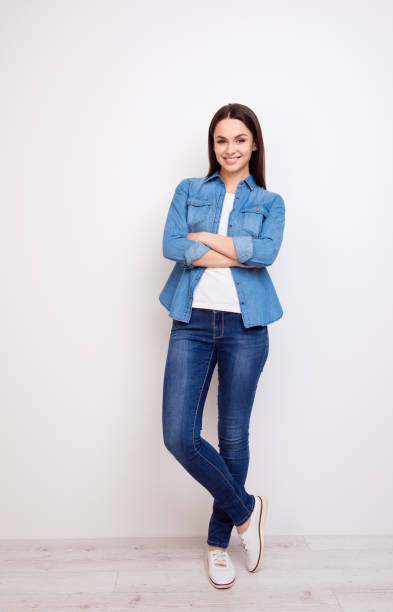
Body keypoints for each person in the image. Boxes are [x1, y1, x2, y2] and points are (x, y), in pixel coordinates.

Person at [159, 102, 285, 589]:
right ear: (212, 146)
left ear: (253, 143)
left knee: (233, 436)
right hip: (191, 323)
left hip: (246, 327)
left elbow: (268, 253)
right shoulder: (189, 190)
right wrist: (238, 252)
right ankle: (247, 511)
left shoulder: (271, 201)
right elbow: (172, 244)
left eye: (238, 139)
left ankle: (218, 544)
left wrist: (207, 240)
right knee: (179, 436)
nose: (229, 149)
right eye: (220, 140)